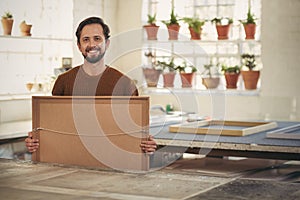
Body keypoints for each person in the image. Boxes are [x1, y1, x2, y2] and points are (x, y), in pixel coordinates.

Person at [25, 16, 157, 154]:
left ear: (107, 43)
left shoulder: (125, 84)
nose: (92, 44)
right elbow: (54, 128)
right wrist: (34, 142)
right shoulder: (63, 82)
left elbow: (135, 131)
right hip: (71, 161)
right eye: (86, 39)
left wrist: (147, 145)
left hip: (114, 163)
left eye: (97, 38)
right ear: (79, 46)